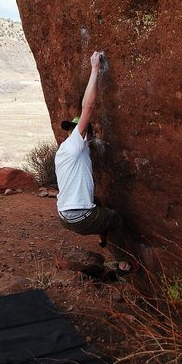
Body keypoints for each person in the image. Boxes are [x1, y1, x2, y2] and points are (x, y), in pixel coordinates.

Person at [55, 51, 122, 249]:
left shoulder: (64, 151)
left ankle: (102, 240)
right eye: (72, 129)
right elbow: (88, 107)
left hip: (63, 216)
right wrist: (94, 69)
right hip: (80, 218)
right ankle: (123, 264)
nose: (73, 131)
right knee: (116, 220)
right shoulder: (76, 144)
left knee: (97, 201)